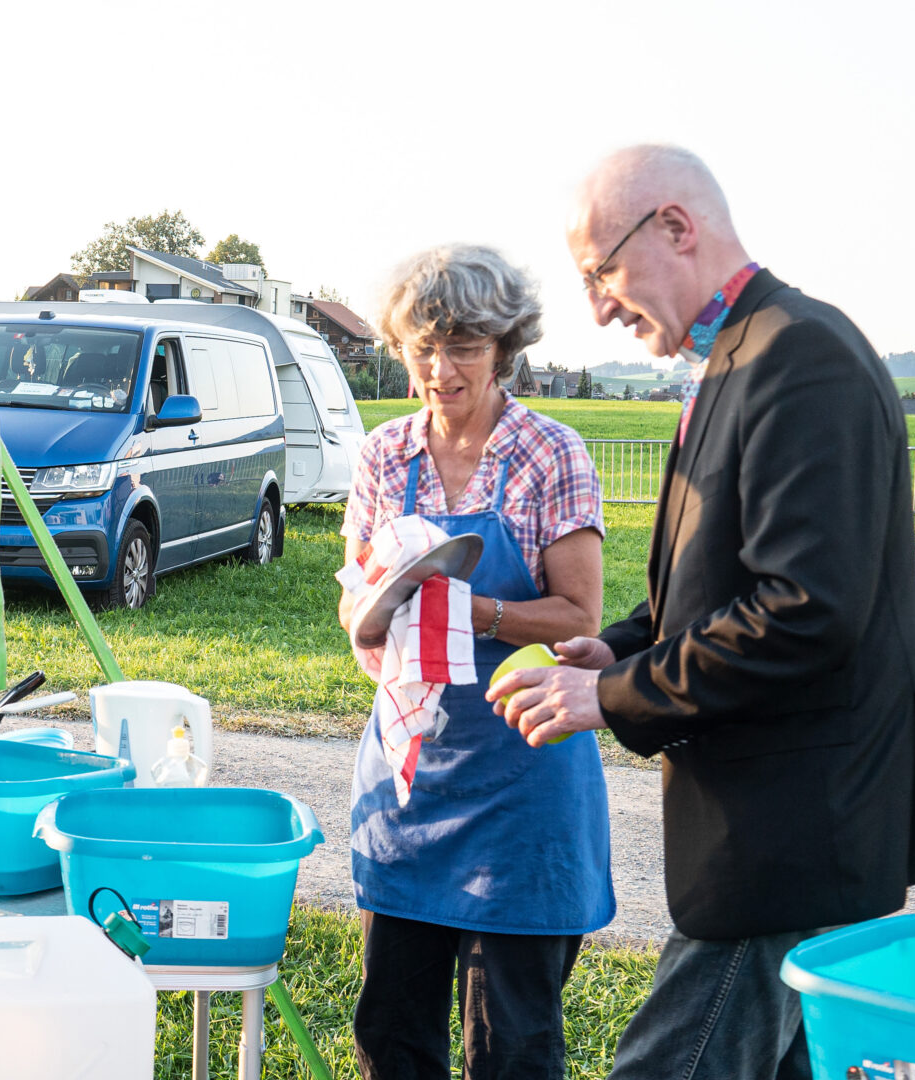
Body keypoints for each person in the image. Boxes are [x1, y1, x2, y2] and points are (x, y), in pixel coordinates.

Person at [490, 144, 915, 1079]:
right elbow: (717, 579)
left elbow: (805, 610)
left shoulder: (800, 354)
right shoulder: (738, 354)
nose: (598, 304)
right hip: (780, 827)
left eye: (601, 271)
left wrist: (616, 697)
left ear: (676, 228)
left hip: (793, 835)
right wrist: (617, 645)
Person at [340, 244, 615, 1079]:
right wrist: (369, 614)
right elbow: (353, 587)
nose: (440, 367)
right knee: (392, 1032)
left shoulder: (551, 453)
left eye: (462, 346)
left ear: (504, 347)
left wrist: (471, 610)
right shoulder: (384, 455)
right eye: (421, 346)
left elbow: (579, 616)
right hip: (409, 777)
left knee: (513, 1045)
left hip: (522, 781)